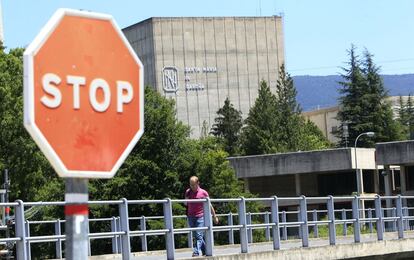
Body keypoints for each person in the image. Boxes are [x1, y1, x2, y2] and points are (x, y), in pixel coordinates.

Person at [185, 176, 219, 257]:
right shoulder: (188, 192)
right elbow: (185, 203)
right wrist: (187, 197)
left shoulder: (203, 193)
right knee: (196, 235)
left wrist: (214, 216)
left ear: (198, 183)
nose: (192, 186)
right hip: (190, 216)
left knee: (199, 235)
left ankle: (196, 252)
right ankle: (205, 250)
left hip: (200, 216)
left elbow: (209, 205)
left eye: (193, 184)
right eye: (191, 184)